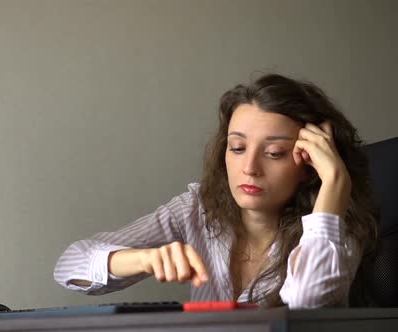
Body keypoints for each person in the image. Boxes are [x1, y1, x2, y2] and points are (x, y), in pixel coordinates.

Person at [53, 73, 378, 308]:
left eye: (275, 153)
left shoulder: (333, 227)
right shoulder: (197, 208)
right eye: (237, 148)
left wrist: (335, 181)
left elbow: (308, 301)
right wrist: (144, 258)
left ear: (309, 163)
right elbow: (69, 266)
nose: (249, 167)